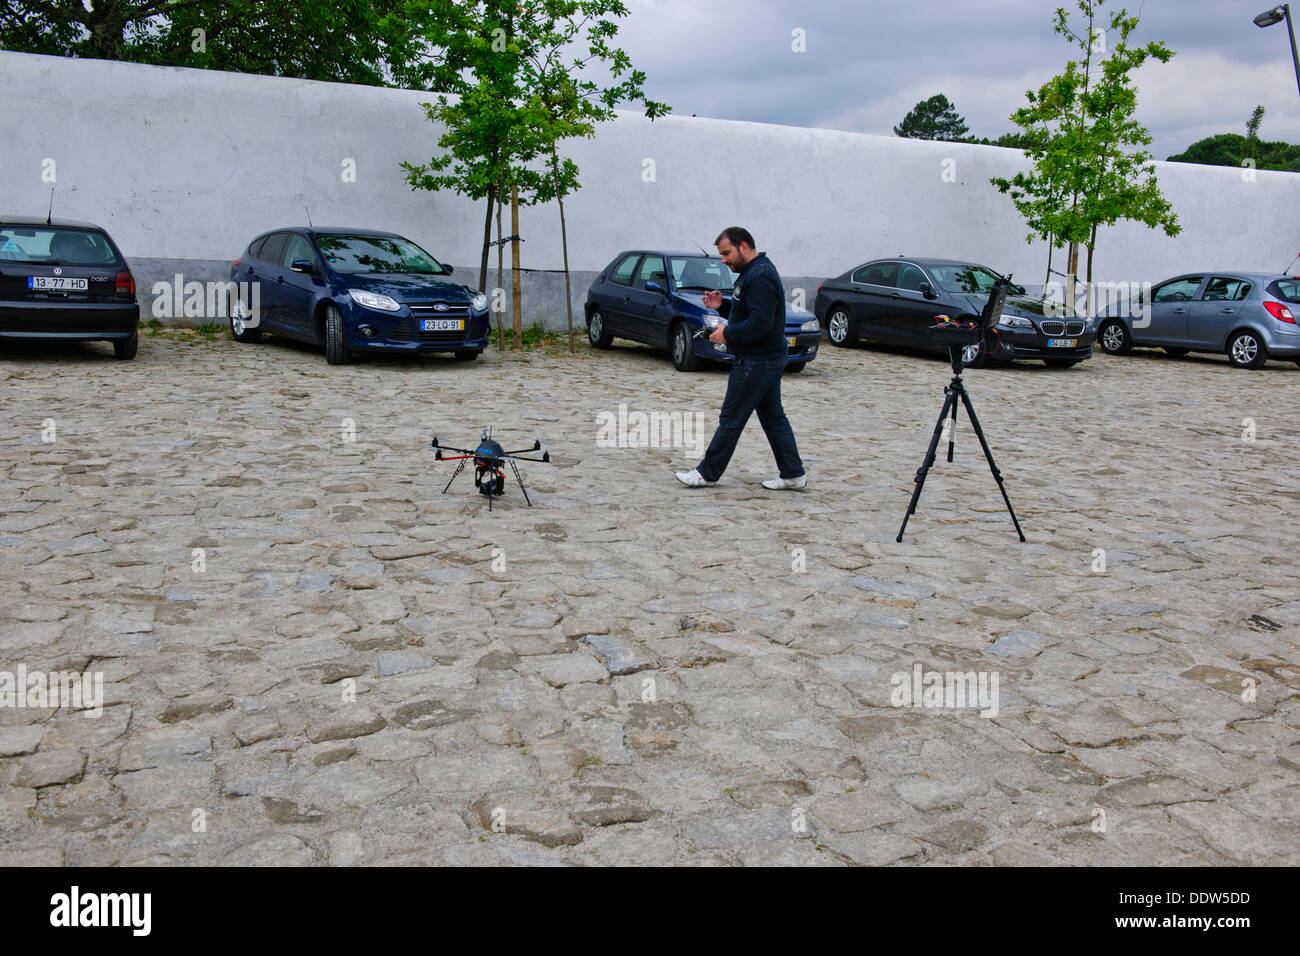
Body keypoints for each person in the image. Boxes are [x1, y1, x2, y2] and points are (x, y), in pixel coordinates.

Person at [675, 227, 806, 490]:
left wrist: (727, 333)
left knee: (731, 418)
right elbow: (750, 310)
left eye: (726, 253)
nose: (723, 259)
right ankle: (793, 473)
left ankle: (707, 473)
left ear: (744, 246)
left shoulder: (759, 276)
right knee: (773, 417)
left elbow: (761, 322)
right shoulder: (752, 273)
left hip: (757, 360)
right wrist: (721, 305)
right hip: (765, 358)